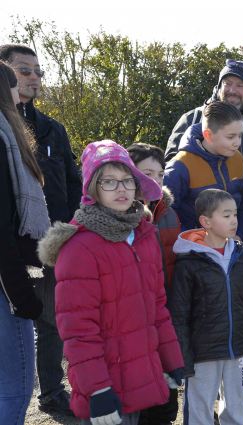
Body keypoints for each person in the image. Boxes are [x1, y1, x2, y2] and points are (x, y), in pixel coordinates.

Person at [37, 140, 184, 425]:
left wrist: (170, 359)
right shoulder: (79, 248)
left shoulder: (143, 236)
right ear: (93, 188)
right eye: (109, 181)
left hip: (142, 376)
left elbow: (158, 308)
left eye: (127, 180)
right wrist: (97, 389)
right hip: (105, 387)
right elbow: (78, 331)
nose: (121, 189)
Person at [1, 43, 82, 416]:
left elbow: (73, 180)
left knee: (52, 321)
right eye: (24, 70)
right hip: (11, 253)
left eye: (38, 71)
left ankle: (51, 391)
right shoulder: (5, 132)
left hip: (54, 243)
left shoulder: (52, 129)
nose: (33, 77)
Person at [165, 59, 243, 305]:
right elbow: (170, 175)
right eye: (228, 83)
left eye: (241, 85)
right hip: (196, 236)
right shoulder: (192, 119)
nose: (233, 89)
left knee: (242, 295)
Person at [168, 189, 243, 425]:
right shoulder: (189, 262)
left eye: (235, 214)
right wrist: (182, 358)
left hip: (238, 350)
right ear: (206, 221)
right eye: (226, 215)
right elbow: (179, 315)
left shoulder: (241, 257)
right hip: (203, 354)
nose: (234, 220)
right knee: (199, 411)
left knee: (237, 408)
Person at [0, 60, 49, 425]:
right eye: (15, 84)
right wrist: (23, 298)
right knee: (14, 385)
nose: (21, 92)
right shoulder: (2, 140)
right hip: (6, 289)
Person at [127, 143, 182, 425]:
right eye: (147, 172)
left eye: (160, 174)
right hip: (132, 326)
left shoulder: (170, 213)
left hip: (165, 317)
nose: (156, 181)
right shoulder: (118, 221)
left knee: (164, 404)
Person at [164, 101, 243, 241]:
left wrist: (239, 235)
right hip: (193, 253)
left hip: (231, 248)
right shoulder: (180, 165)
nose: (237, 142)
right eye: (231, 137)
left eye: (240, 135)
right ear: (208, 135)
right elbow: (166, 216)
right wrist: (197, 242)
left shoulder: (239, 159)